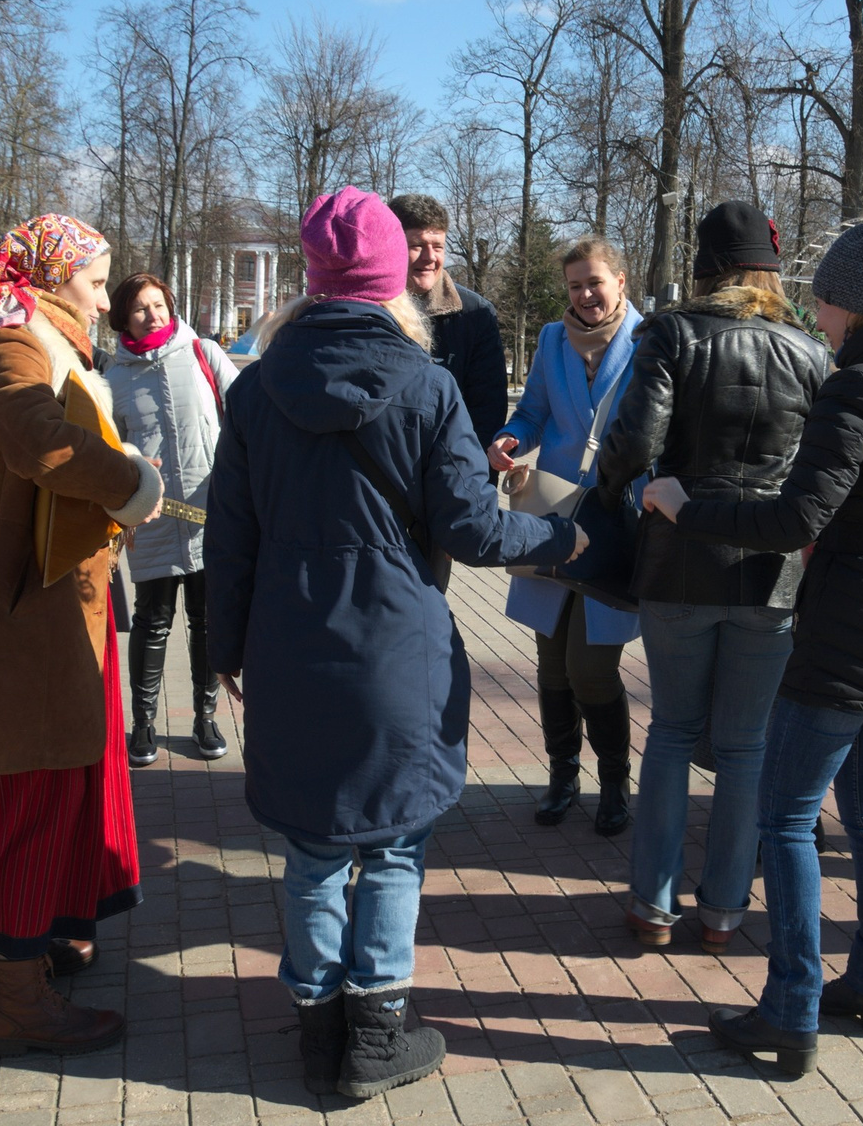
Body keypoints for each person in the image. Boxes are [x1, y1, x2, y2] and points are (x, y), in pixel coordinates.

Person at [207, 188, 583, 1100]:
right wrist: (564, 537)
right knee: (395, 846)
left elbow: (230, 535)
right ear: (391, 282)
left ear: (313, 278)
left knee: (311, 850)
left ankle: (318, 1030)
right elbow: (473, 530)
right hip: (395, 647)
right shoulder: (426, 384)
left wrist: (224, 649)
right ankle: (376, 1030)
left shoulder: (255, 389)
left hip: (287, 642)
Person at [643, 195, 863, 1071]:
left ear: (853, 304)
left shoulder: (856, 388)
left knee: (786, 818)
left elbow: (797, 518)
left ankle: (791, 1007)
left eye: (824, 298)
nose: (813, 312)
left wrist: (686, 507)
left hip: (847, 636)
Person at [0, 215, 164, 1055]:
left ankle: (13, 954)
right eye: (93, 281)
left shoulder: (22, 336)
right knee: (27, 795)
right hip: (17, 609)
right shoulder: (9, 345)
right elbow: (37, 440)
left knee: (22, 787)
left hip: (25, 600)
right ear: (51, 277)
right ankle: (19, 1000)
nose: (105, 299)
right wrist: (132, 480)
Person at [595, 201, 829, 953]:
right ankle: (725, 909)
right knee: (745, 747)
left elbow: (635, 442)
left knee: (671, 732)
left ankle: (652, 903)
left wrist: (610, 493)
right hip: (771, 567)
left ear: (706, 268)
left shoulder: (673, 334)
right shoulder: (811, 352)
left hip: (680, 558)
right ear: (770, 269)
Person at [486, 237, 643, 836]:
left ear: (620, 281)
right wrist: (509, 438)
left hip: (614, 522)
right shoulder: (553, 340)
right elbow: (533, 413)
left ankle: (614, 783)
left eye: (594, 282)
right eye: (575, 285)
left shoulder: (651, 340)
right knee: (552, 666)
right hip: (552, 515)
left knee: (591, 668)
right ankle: (562, 777)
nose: (584, 295)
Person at [103, 271, 238, 767]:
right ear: (124, 317)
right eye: (140, 308)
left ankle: (206, 717)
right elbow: (109, 448)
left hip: (209, 513)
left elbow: (247, 414)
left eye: (159, 304)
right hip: (153, 517)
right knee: (152, 621)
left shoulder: (204, 353)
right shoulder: (112, 377)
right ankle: (142, 724)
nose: (152, 315)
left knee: (206, 621)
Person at [388, 194, 507, 457]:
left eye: (438, 246)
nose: (430, 257)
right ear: (390, 245)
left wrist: (472, 475)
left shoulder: (475, 314)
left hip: (451, 468)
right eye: (417, 245)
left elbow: (487, 413)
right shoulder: (368, 309)